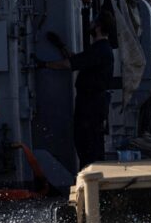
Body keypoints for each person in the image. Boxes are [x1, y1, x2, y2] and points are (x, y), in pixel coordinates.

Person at [42, 16, 115, 169]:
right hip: (93, 103)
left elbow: (68, 64)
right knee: (89, 144)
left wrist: (43, 64)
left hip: (90, 105)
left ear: (98, 27)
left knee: (86, 144)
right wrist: (61, 47)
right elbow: (78, 59)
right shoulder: (101, 49)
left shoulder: (99, 49)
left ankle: (90, 178)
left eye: (93, 23)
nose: (90, 24)